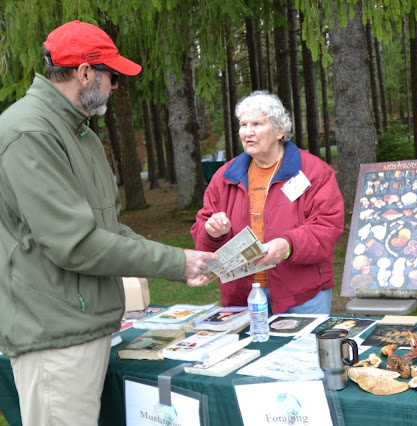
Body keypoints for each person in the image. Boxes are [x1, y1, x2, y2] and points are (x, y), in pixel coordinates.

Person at [0, 20, 216, 425]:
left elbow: (108, 229)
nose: (116, 86)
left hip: (84, 326)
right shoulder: (30, 132)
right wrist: (176, 263)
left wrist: (181, 260)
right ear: (84, 73)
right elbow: (76, 244)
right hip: (55, 336)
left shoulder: (78, 134)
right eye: (112, 76)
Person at [191, 90, 344, 315]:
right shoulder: (225, 177)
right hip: (243, 297)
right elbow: (202, 236)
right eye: (243, 125)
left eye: (257, 124)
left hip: (301, 296)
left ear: (279, 130)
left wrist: (287, 245)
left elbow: (327, 227)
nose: (248, 132)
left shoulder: (314, 172)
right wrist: (212, 232)